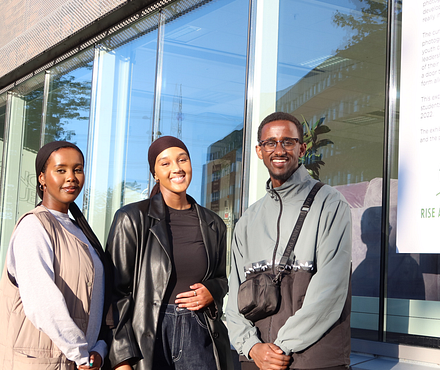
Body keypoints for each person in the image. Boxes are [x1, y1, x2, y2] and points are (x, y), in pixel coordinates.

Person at [226, 112, 353, 370]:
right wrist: (251, 347)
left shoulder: (329, 203)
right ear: (259, 151)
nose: (279, 150)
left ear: (302, 148)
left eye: (288, 141)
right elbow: (233, 296)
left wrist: (281, 346)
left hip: (314, 359)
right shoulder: (248, 220)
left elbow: (330, 289)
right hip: (258, 361)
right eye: (270, 143)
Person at [105, 136, 232, 370]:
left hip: (199, 331)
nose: (177, 168)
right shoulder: (132, 219)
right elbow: (115, 293)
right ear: (155, 172)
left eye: (182, 159)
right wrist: (121, 358)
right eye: (165, 163)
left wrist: (212, 291)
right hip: (149, 335)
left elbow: (222, 278)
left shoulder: (214, 224)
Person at [0, 141, 107, 370]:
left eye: (78, 169)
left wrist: (99, 349)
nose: (71, 177)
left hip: (74, 360)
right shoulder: (34, 226)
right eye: (61, 170)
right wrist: (80, 353)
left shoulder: (79, 230)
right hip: (38, 361)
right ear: (42, 178)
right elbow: (42, 303)